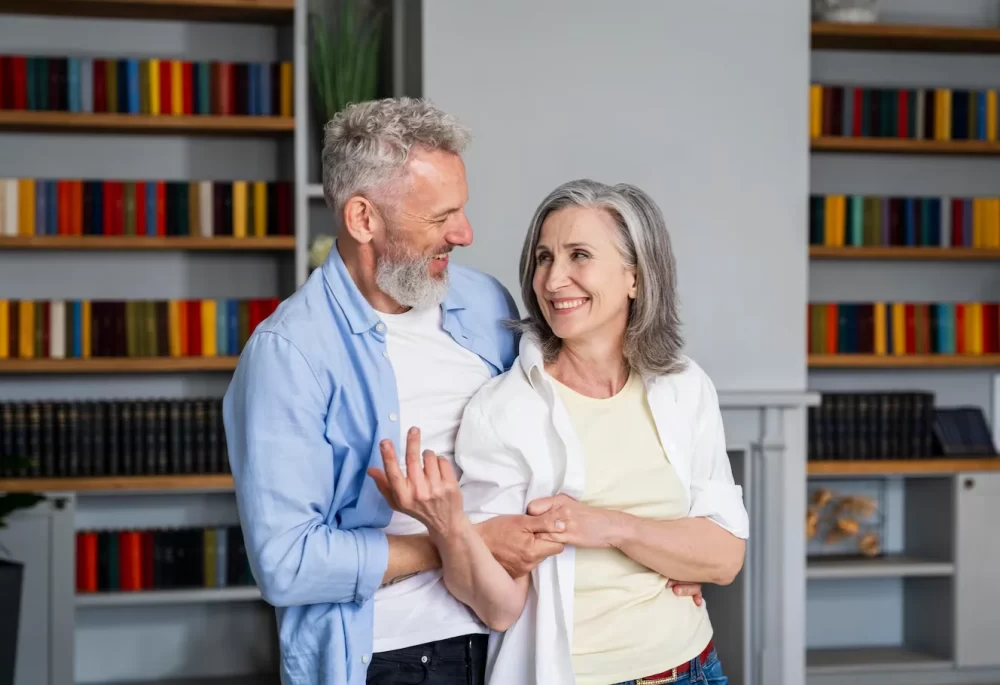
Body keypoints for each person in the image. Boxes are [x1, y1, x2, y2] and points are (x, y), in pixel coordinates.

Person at [223, 98, 704, 685]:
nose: (465, 233)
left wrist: (664, 558)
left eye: (463, 210)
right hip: (388, 657)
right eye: (440, 217)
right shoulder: (290, 354)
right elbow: (285, 564)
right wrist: (459, 541)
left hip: (517, 644)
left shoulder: (484, 302)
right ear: (363, 219)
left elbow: (569, 431)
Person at [369, 179, 748, 685]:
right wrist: (449, 526)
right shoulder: (504, 410)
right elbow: (500, 608)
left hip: (694, 668)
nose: (553, 280)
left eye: (579, 256)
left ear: (635, 276)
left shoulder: (683, 385)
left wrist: (610, 528)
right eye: (544, 258)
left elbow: (724, 559)